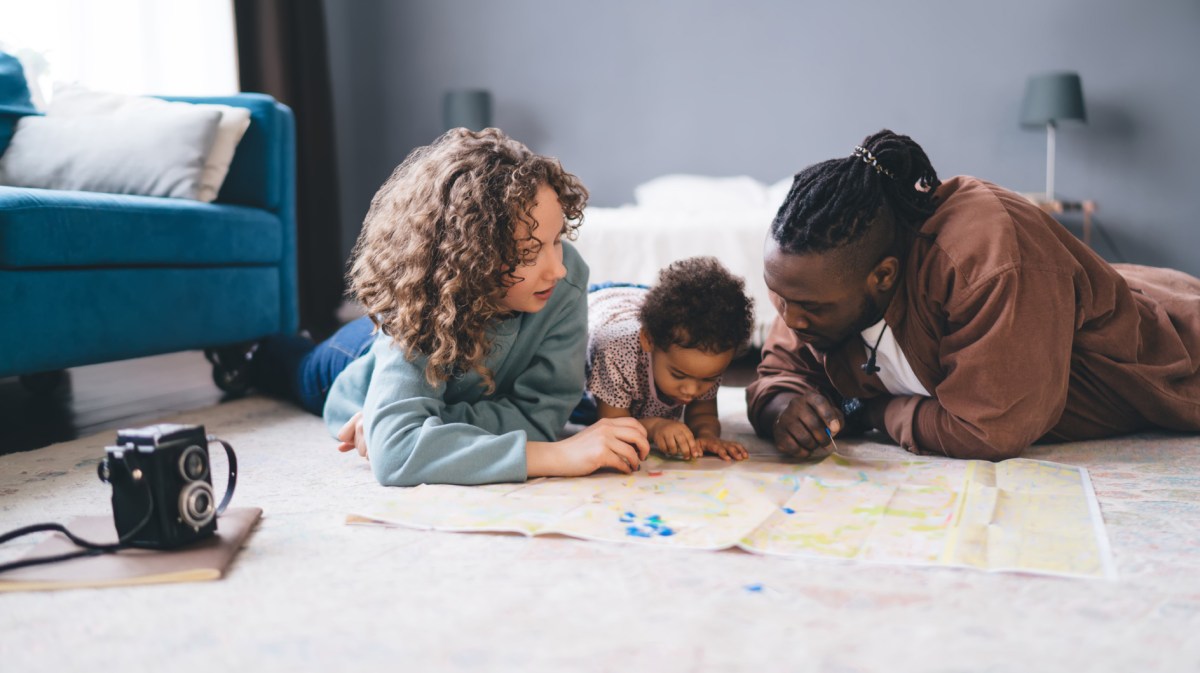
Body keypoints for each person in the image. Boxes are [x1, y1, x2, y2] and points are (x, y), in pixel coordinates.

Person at [747, 129, 1200, 461]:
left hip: (1176, 356)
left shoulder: (985, 260)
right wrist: (783, 409)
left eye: (809, 307)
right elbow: (778, 375)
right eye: (779, 296)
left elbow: (990, 429)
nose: (791, 319)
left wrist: (875, 412)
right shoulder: (813, 284)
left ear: (883, 276)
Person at [251, 128, 650, 486]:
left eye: (557, 239)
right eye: (529, 253)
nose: (557, 269)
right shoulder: (424, 299)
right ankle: (254, 350)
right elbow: (397, 453)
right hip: (358, 355)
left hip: (443, 391)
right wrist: (558, 456)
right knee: (294, 368)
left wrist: (424, 427)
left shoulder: (566, 280)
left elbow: (537, 419)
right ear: (472, 258)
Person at [584, 257, 755, 461]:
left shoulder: (710, 354)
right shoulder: (616, 353)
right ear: (649, 341)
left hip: (638, 300)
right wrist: (655, 426)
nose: (691, 390)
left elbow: (703, 415)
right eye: (678, 375)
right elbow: (612, 424)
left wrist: (707, 435)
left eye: (708, 379)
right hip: (600, 303)